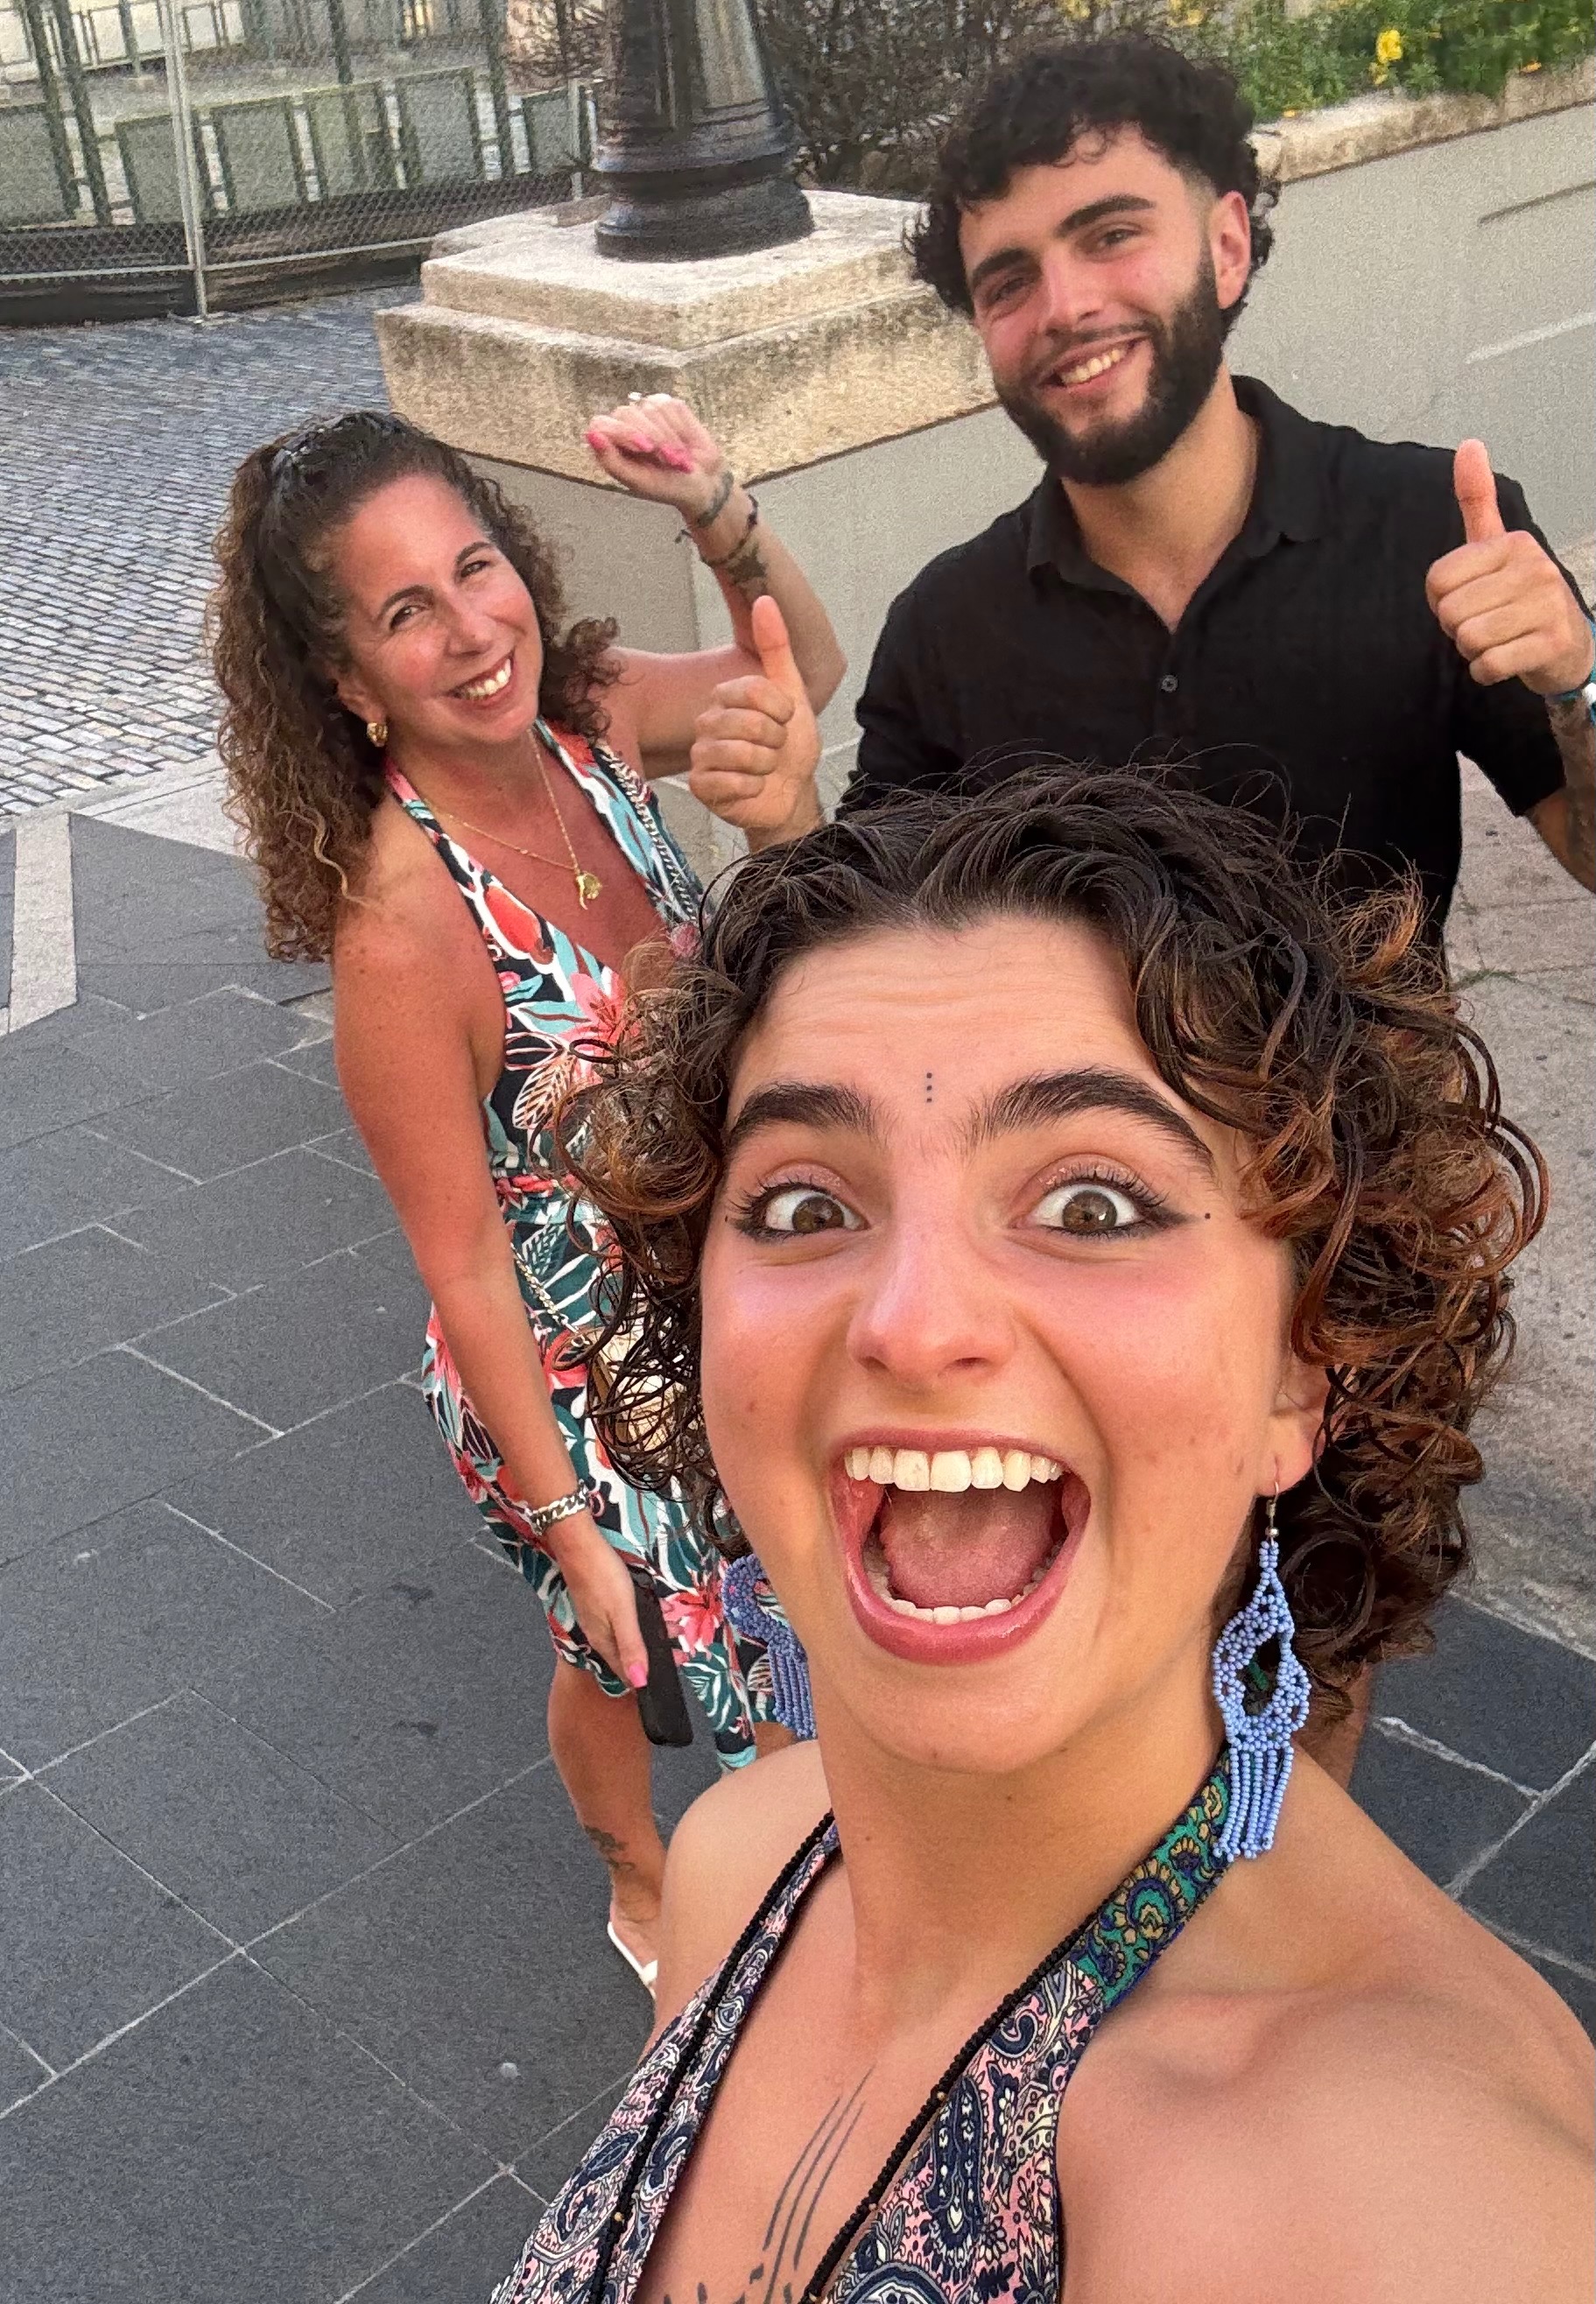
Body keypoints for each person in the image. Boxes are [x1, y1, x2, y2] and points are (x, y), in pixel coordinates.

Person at [492, 767, 1592, 2301]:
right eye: (804, 1207)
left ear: (1302, 1366)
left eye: (1089, 1205)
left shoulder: (1395, 2203)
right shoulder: (739, 1858)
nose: (912, 1319)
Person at [209, 398, 842, 1991]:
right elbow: (465, 1266)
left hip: (717, 1293)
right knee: (645, 1646)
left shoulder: (592, 718)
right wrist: (569, 1525)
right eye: (404, 612)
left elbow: (797, 675)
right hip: (577, 1380)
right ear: (349, 683)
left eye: (475, 568)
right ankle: (648, 1886)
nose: (470, 630)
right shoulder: (403, 929)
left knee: (717, 1631)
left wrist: (717, 510)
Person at [837, 34, 1595, 925]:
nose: (1063, 308)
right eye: (1007, 283)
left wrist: (1576, 682)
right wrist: (777, 817)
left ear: (1226, 247)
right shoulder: (944, 629)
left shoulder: (1429, 529)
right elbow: (870, 935)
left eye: (1110, 236)